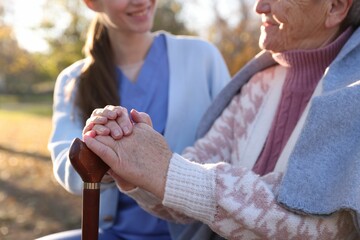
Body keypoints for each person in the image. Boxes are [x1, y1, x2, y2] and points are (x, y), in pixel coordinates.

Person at [82, 0, 360, 238]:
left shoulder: (354, 96)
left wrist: (164, 169)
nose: (259, 6)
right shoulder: (257, 84)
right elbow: (189, 185)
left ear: (335, 7)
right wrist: (132, 163)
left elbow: (322, 226)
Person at [42, 0, 231, 239]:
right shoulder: (74, 80)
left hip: (197, 233)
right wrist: (104, 156)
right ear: (92, 3)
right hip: (119, 234)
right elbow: (65, 164)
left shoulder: (202, 57)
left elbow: (235, 144)